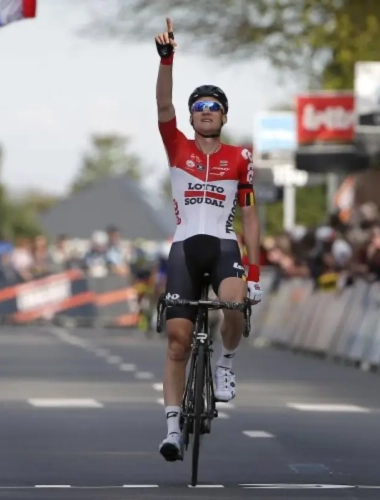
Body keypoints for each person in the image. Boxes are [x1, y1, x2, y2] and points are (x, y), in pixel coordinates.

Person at [154, 17, 264, 461]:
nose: (204, 111)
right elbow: (163, 104)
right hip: (184, 247)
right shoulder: (176, 146)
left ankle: (226, 363)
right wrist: (167, 60)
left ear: (223, 116)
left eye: (213, 106)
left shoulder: (240, 158)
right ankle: (172, 429)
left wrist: (255, 272)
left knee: (235, 304)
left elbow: (251, 216)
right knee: (177, 340)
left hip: (222, 246)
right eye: (198, 106)